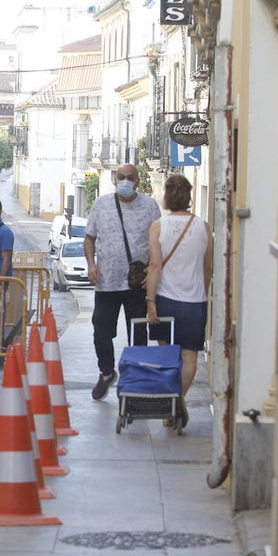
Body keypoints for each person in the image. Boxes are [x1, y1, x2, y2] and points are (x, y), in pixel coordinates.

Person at [83, 163, 161, 400]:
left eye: (130, 177)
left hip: (137, 284)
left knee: (138, 334)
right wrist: (91, 264)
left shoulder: (150, 206)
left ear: (138, 181)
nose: (125, 181)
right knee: (101, 331)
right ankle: (106, 372)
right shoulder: (101, 204)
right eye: (121, 177)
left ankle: (135, 382)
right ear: (114, 180)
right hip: (106, 282)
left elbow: (159, 241)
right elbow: (89, 238)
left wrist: (152, 269)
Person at [145, 174, 213, 431]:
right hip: (195, 302)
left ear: (166, 196)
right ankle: (179, 398)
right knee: (189, 356)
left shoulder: (158, 226)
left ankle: (172, 402)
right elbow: (208, 268)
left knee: (168, 355)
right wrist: (202, 293)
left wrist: (150, 301)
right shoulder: (204, 227)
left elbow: (155, 266)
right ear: (189, 197)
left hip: (166, 300)